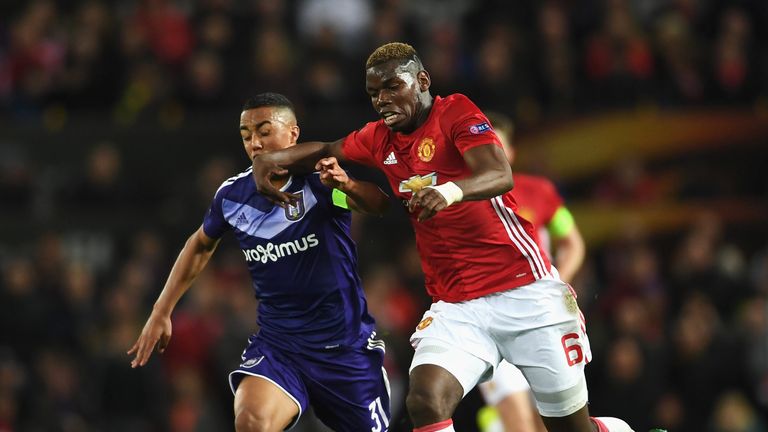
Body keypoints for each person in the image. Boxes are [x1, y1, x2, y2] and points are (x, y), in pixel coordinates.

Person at [251, 42, 634, 432]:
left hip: (524, 292)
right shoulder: (378, 138)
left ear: (422, 81)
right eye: (373, 93)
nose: (382, 101)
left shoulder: (455, 111)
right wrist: (268, 160)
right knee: (426, 399)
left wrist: (449, 191)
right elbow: (328, 148)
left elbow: (500, 174)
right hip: (457, 305)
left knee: (570, 428)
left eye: (391, 87)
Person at [128, 92, 392, 432]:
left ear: (293, 134)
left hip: (344, 350)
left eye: (264, 131)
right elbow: (199, 245)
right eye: (246, 135)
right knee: (252, 422)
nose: (255, 143)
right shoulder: (233, 197)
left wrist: (348, 184)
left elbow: (379, 205)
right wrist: (161, 310)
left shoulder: (320, 183)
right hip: (281, 347)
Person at [476, 112, 586, 432]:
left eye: (496, 145)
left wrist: (558, 283)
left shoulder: (540, 192)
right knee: (521, 426)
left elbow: (572, 241)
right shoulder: (458, 199)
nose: (488, 152)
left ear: (511, 152)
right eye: (481, 145)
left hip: (542, 318)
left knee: (550, 423)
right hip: (491, 323)